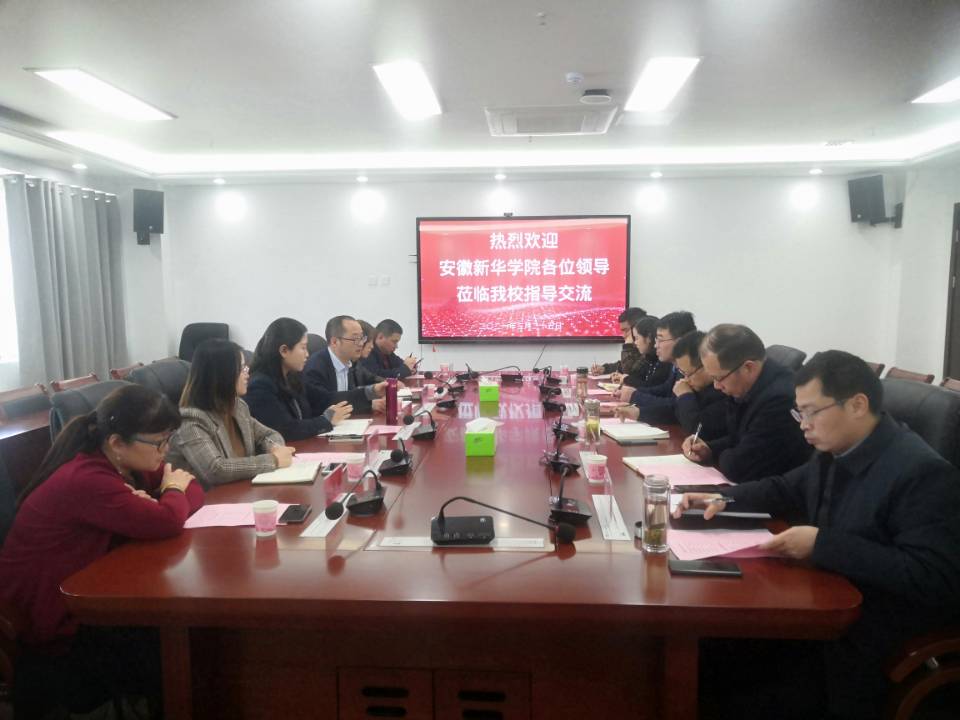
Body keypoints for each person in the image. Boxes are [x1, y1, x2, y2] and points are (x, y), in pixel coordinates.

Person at [675, 350, 960, 719]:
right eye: (800, 414)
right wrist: (722, 498)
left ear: (857, 405)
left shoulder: (921, 473)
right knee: (706, 651)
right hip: (821, 602)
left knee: (729, 685)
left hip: (861, 636)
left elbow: (932, 575)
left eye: (811, 413)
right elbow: (785, 488)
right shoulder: (838, 448)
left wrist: (821, 544)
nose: (803, 425)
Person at [0, 384, 204, 717]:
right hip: (55, 618)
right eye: (159, 442)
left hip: (93, 589)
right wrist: (167, 497)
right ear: (117, 442)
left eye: (168, 439)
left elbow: (192, 489)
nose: (166, 451)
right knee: (175, 644)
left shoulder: (127, 461)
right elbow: (169, 519)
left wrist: (164, 496)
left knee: (186, 635)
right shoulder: (86, 478)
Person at [681, 323, 810, 482]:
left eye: (718, 378)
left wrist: (723, 454)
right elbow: (740, 438)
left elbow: (739, 467)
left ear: (748, 367)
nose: (716, 386)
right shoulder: (747, 385)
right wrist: (709, 448)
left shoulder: (779, 400)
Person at [167, 338, 297, 489]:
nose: (247, 374)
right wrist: (273, 460)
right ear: (223, 375)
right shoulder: (190, 420)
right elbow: (216, 470)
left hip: (242, 490)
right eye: (242, 368)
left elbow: (269, 435)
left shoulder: (237, 406)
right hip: (210, 499)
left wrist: (275, 448)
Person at [245, 317, 352, 441]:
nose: (307, 354)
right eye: (303, 348)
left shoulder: (292, 376)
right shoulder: (259, 386)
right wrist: (325, 420)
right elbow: (285, 430)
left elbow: (322, 398)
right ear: (284, 351)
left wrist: (367, 394)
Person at [615, 311, 696, 424]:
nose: (655, 345)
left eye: (660, 340)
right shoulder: (676, 367)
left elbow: (676, 407)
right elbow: (664, 389)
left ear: (679, 342)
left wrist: (635, 396)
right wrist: (635, 396)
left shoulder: (693, 370)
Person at [304, 315, 387, 413]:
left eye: (362, 338)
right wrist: (369, 396)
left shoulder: (348, 363)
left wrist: (373, 395)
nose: (361, 343)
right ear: (335, 342)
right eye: (355, 339)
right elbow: (325, 402)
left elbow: (346, 397)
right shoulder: (315, 367)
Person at [669, 330, 727, 438]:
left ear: (706, 366)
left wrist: (685, 396)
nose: (686, 379)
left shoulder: (723, 391)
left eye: (688, 374)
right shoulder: (700, 386)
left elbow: (699, 430)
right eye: (683, 373)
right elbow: (673, 411)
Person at [590, 306, 647, 378]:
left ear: (638, 327)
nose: (623, 335)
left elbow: (629, 372)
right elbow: (622, 366)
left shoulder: (648, 350)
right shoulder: (639, 347)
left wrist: (628, 346)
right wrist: (604, 369)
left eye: (626, 330)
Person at [619, 315, 671, 390]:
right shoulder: (649, 357)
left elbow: (654, 389)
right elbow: (635, 376)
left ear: (649, 337)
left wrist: (627, 379)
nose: (635, 343)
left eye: (636, 338)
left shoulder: (663, 360)